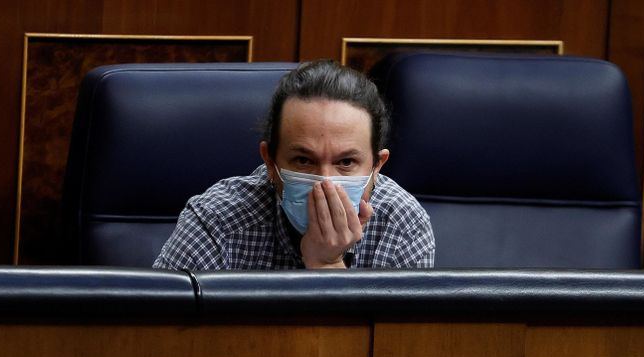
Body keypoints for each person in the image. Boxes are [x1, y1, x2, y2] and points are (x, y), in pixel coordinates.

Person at [153, 60, 435, 270]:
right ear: (270, 161)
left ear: (377, 165)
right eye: (303, 160)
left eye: (346, 162)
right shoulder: (215, 221)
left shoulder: (402, 224)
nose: (325, 183)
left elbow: (392, 350)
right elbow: (154, 336)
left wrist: (327, 265)